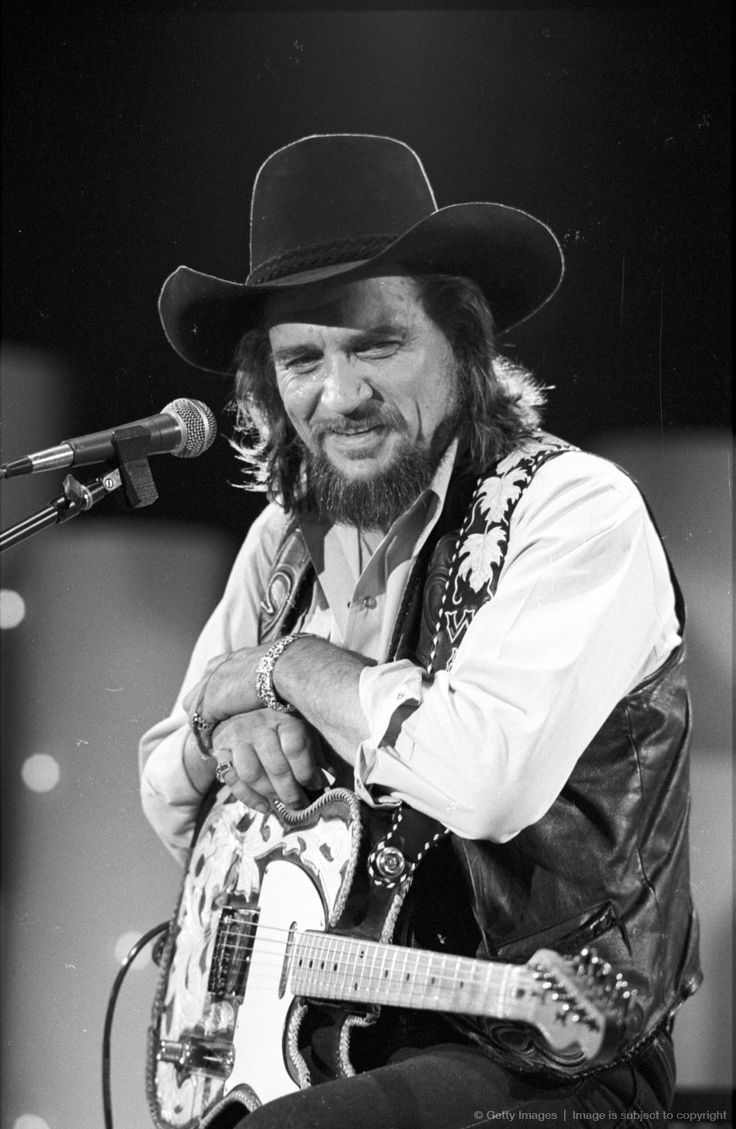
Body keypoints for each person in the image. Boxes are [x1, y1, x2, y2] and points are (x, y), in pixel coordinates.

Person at [139, 133, 701, 1129]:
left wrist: (280, 668)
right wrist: (221, 735)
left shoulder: (571, 508)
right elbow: (165, 791)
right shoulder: (281, 539)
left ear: (465, 345)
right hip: (319, 1031)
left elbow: (484, 780)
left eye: (376, 344)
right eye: (302, 359)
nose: (340, 394)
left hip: (546, 1055)